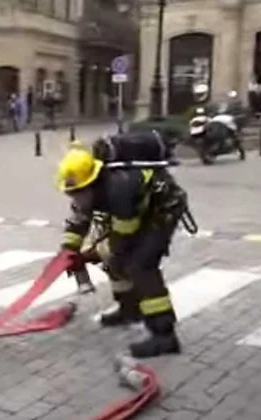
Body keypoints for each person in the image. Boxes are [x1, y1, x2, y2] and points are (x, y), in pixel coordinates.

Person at [55, 138, 188, 358]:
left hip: (162, 210)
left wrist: (88, 256)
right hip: (135, 213)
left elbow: (120, 241)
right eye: (71, 194)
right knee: (114, 262)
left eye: (78, 193)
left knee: (140, 264)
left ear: (92, 182)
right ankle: (129, 310)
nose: (75, 198)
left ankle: (165, 335)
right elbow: (78, 220)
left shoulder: (121, 190)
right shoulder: (84, 189)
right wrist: (69, 249)